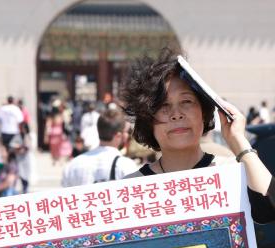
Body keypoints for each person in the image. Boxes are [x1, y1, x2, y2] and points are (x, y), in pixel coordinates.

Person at [120, 48, 275, 224]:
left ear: (203, 112)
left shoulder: (234, 171)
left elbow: (269, 208)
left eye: (186, 102)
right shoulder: (130, 188)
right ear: (148, 119)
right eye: (163, 105)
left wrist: (237, 140)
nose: (176, 114)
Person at [62, 108, 138, 187]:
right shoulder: (126, 166)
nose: (128, 135)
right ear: (118, 135)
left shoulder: (73, 165)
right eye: (127, 131)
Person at [44, 101, 72, 165]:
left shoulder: (51, 116)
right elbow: (65, 123)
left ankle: (54, 159)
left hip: (53, 133)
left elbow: (48, 126)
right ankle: (59, 160)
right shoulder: (61, 115)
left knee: (53, 147)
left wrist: (46, 136)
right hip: (59, 132)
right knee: (60, 147)